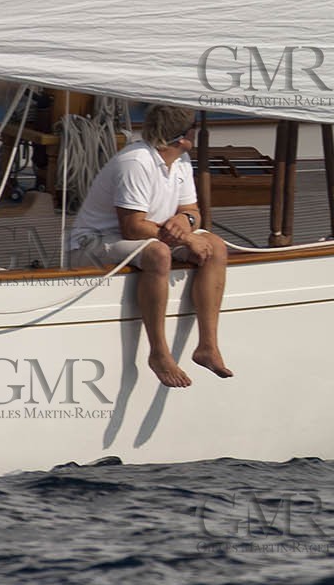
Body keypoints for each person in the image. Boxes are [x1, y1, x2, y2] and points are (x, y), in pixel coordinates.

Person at [68, 104, 232, 388]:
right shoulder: (137, 162)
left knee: (215, 245)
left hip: (149, 234)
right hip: (94, 241)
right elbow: (132, 227)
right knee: (158, 254)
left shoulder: (180, 161)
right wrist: (186, 236)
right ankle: (158, 352)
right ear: (183, 137)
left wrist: (186, 220)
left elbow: (193, 211)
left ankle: (207, 345)